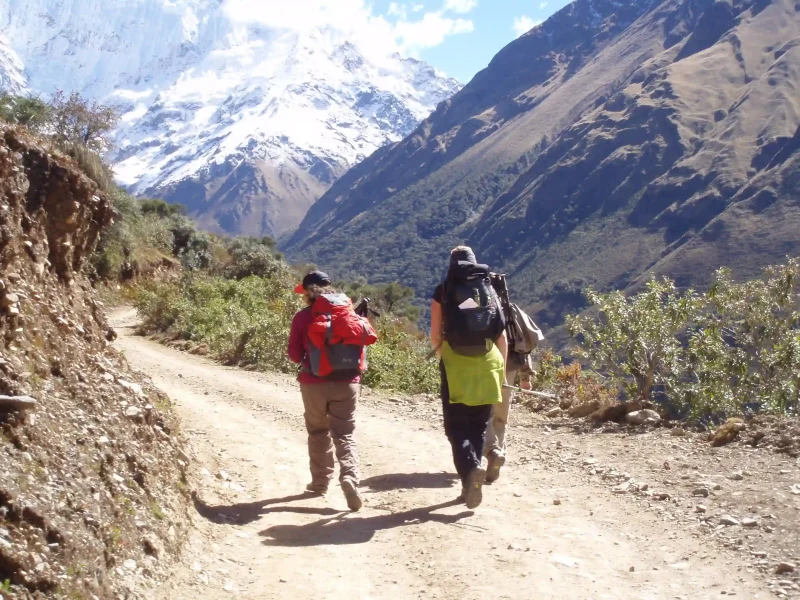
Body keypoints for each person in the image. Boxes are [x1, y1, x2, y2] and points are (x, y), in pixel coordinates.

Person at [430, 247, 508, 509]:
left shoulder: (443, 290)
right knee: (477, 425)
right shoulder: (489, 289)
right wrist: (500, 370)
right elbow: (502, 337)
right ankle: (468, 484)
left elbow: (435, 336)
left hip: (456, 365)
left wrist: (446, 357)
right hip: (490, 363)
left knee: (455, 427)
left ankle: (471, 469)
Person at [287, 270, 365, 511]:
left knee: (318, 431)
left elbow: (293, 355)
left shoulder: (303, 317)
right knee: (344, 433)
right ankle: (350, 477)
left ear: (308, 293)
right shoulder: (347, 313)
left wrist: (309, 358)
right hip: (348, 381)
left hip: (313, 382)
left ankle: (320, 483)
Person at [484, 353, 533, 483]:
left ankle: (489, 453)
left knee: (483, 412)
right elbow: (523, 342)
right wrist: (525, 376)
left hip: (481, 361)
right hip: (509, 366)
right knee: (501, 415)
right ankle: (497, 455)